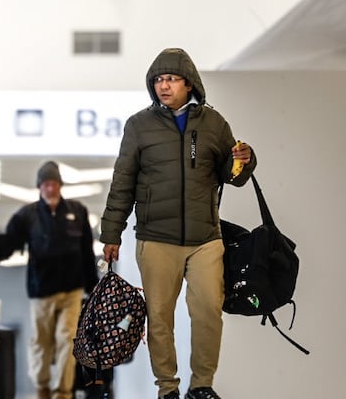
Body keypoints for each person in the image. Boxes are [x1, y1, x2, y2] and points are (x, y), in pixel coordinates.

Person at [99, 48, 256, 399]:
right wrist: (111, 233)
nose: (163, 86)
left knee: (208, 314)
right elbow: (122, 182)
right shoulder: (138, 126)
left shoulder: (214, 124)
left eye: (170, 79)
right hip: (156, 238)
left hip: (205, 238)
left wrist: (246, 160)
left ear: (189, 83)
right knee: (159, 318)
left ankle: (201, 386)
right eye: (157, 80)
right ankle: (167, 389)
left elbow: (233, 175)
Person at [0, 161, 99, 399]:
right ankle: (42, 387)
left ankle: (62, 392)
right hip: (42, 290)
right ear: (39, 187)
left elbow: (86, 252)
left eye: (53, 184)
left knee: (68, 340)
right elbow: (9, 240)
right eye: (45, 185)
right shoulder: (28, 216)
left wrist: (93, 288)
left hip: (72, 289)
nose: (50, 189)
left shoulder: (78, 212)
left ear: (60, 185)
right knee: (41, 343)